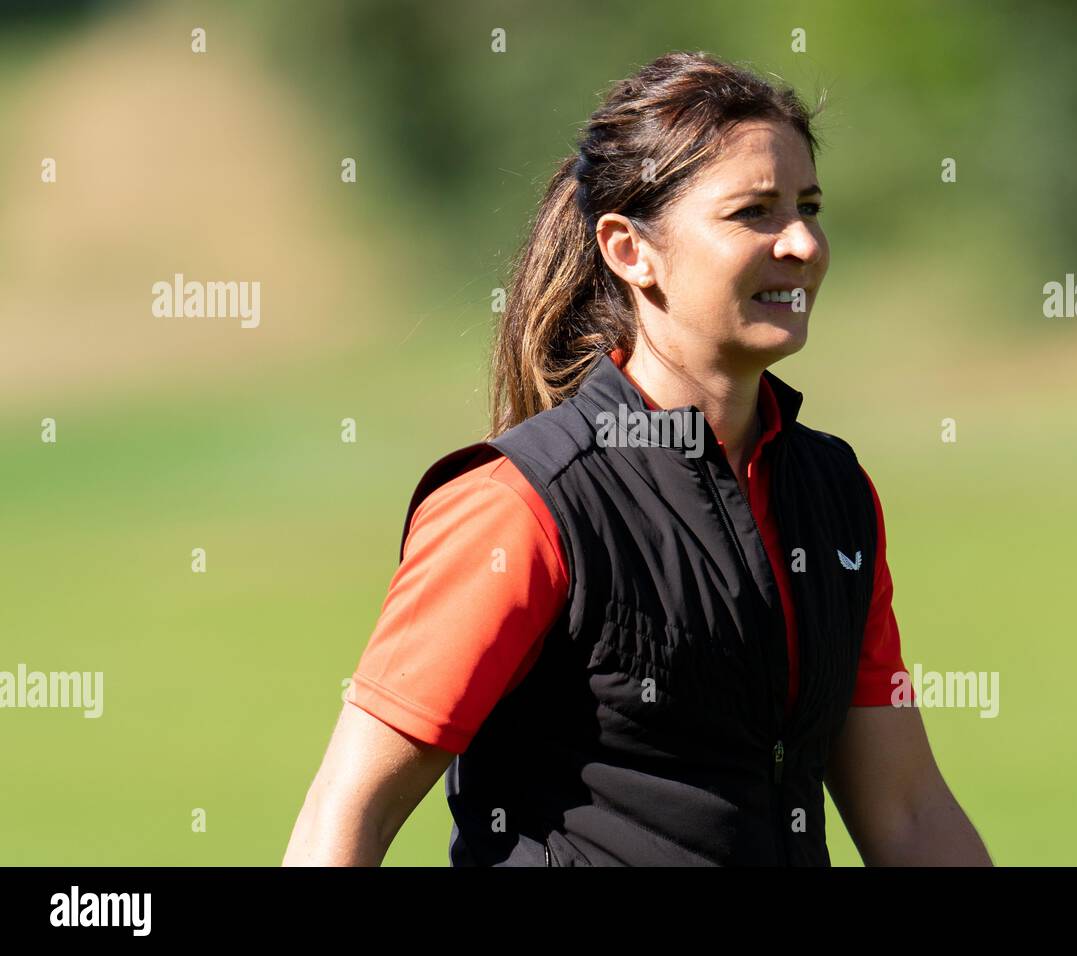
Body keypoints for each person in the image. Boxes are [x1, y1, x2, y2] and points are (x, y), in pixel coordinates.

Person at [284, 50, 991, 867]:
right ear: (629, 250)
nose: (803, 242)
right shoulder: (520, 503)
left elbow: (907, 812)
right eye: (754, 212)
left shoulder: (834, 493)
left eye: (809, 207)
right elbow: (347, 812)